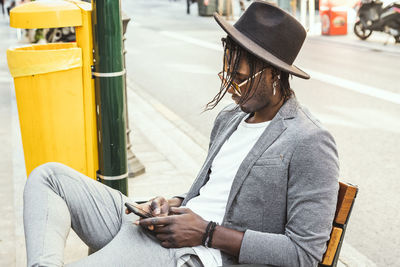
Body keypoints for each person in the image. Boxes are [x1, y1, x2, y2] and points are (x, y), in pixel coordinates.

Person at [23, 1, 339, 266]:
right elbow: (212, 194)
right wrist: (171, 203)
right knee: (48, 177)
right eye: (227, 74)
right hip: (166, 229)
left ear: (273, 74)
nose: (229, 87)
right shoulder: (230, 120)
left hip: (190, 254)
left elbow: (304, 252)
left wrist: (206, 233)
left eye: (239, 78)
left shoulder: (309, 141)